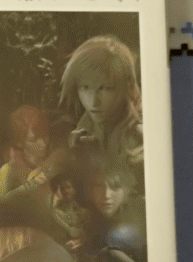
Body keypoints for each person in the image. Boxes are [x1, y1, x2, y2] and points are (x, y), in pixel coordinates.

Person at [60, 36, 143, 169]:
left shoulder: (139, 139)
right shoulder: (86, 127)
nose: (94, 102)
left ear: (126, 87)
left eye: (106, 88)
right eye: (85, 88)